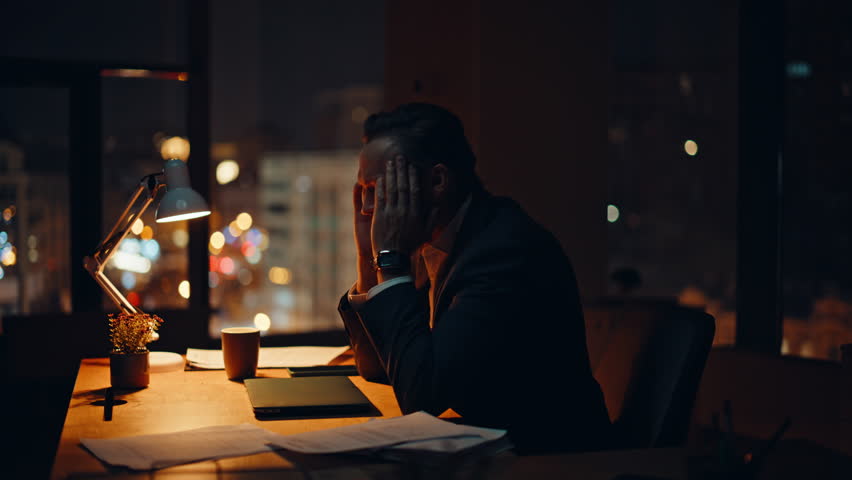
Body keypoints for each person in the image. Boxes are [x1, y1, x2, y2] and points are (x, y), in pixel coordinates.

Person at [337, 102, 611, 453]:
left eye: (380, 190)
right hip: (497, 449)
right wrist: (367, 257)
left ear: (437, 181)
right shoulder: (446, 242)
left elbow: (423, 395)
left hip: (553, 461)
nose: (367, 209)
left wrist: (390, 259)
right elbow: (379, 368)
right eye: (365, 193)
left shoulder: (502, 252)